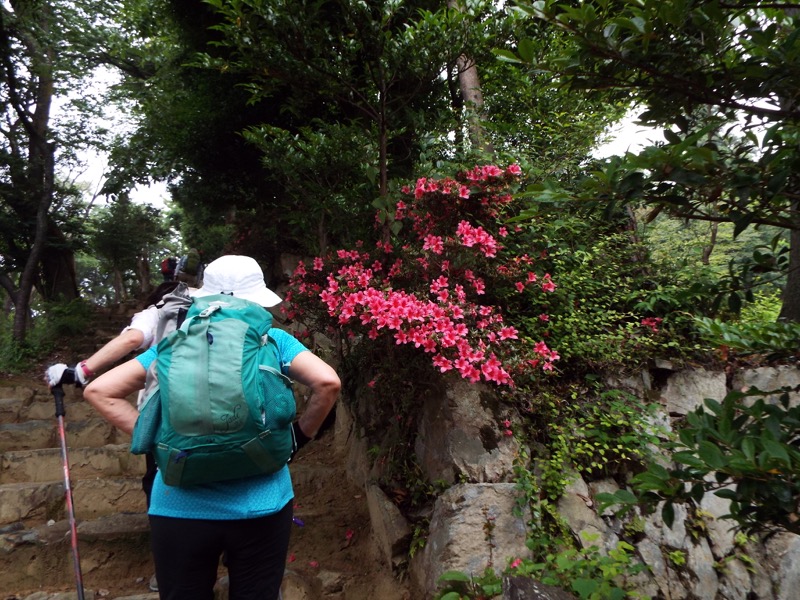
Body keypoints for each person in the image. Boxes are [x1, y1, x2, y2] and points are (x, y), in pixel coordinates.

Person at [82, 255, 341, 600]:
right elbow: (328, 383)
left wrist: (159, 440)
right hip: (261, 505)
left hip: (177, 506)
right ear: (256, 298)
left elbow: (99, 390)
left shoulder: (173, 343)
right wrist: (300, 435)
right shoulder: (275, 340)